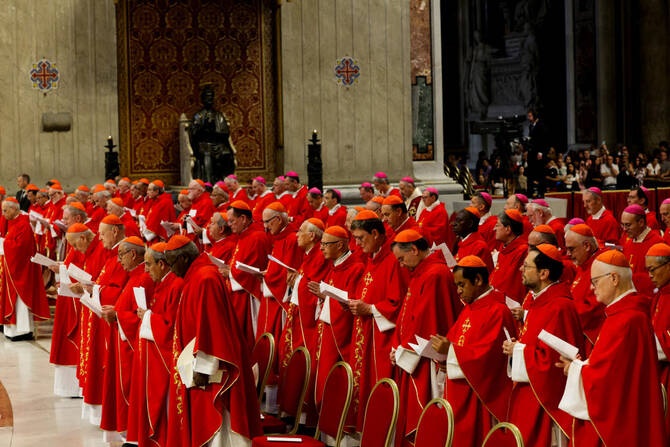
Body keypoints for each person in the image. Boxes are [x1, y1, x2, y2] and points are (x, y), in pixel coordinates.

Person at [557, 250, 665, 446]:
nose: (592, 288)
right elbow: (611, 367)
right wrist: (581, 366)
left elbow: (607, 379)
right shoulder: (623, 314)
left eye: (595, 281)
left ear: (614, 278)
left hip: (623, 419)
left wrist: (574, 369)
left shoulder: (627, 318)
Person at [166, 235, 261, 447]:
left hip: (212, 369)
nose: (171, 271)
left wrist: (203, 367)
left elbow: (214, 328)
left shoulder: (205, 279)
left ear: (182, 259)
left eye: (172, 264)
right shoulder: (197, 275)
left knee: (218, 425)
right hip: (198, 361)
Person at [502, 245, 583, 447]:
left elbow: (555, 362)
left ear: (544, 273)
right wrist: (517, 347)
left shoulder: (559, 306)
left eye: (526, 266)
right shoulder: (538, 301)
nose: (521, 269)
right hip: (529, 391)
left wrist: (518, 351)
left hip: (545, 401)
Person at [432, 255, 516, 447]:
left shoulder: (498, 310)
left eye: (462, 285)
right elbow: (456, 341)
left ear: (477, 280)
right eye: (457, 286)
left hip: (479, 396)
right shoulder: (470, 308)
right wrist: (443, 355)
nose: (459, 291)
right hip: (459, 391)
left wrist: (451, 351)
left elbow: (488, 358)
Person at [390, 229, 459, 447]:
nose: (401, 265)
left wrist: (403, 350)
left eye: (402, 259)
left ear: (414, 249)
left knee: (427, 413)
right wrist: (398, 346)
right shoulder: (421, 271)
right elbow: (408, 315)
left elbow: (426, 321)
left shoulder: (434, 274)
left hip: (426, 358)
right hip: (414, 352)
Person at [347, 210, 409, 432]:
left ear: (375, 233)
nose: (357, 244)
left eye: (360, 238)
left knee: (378, 383)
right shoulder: (374, 257)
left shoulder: (393, 259)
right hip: (366, 329)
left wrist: (370, 308)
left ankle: (380, 434)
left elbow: (398, 302)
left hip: (383, 337)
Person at [126, 242, 184, 447]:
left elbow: (171, 327)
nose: (146, 270)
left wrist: (148, 316)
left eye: (149, 265)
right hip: (151, 354)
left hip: (164, 358)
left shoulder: (175, 284)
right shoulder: (163, 283)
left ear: (162, 264)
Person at [100, 237, 154, 440]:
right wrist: (117, 311)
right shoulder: (134, 276)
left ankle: (134, 434)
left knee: (132, 390)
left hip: (132, 347)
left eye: (121, 255)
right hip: (122, 341)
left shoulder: (144, 279)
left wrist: (118, 315)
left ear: (133, 254)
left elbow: (144, 315)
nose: (118, 259)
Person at [307, 225, 365, 411]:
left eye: (325, 244)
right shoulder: (335, 267)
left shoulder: (355, 268)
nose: (321, 248)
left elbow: (353, 303)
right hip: (327, 332)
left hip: (339, 336)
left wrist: (327, 298)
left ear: (340, 245)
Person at [0, 197, 50, 341]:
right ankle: (12, 330)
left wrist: (4, 245)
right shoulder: (15, 223)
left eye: (5, 210)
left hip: (21, 270)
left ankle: (22, 331)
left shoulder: (23, 225)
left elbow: (21, 249)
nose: (3, 214)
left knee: (19, 301)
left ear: (14, 209)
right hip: (12, 268)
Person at [223, 200, 271, 345]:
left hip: (249, 297)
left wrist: (229, 273)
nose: (229, 225)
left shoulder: (256, 237)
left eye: (231, 221)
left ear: (243, 219)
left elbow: (251, 270)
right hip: (239, 293)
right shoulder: (244, 235)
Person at [646, 243, 670, 441]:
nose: (649, 276)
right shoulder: (660, 294)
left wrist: (643, 343)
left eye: (652, 270)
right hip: (658, 370)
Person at [188, 83, 236, 183]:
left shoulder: (218, 115)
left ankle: (226, 181)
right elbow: (193, 134)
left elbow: (225, 133)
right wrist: (204, 127)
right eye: (207, 97)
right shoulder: (199, 116)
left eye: (211, 97)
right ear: (203, 99)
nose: (209, 99)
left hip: (217, 143)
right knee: (207, 153)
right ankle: (208, 183)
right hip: (203, 144)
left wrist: (215, 129)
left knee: (226, 153)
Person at [620, 204, 663, 297]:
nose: (624, 229)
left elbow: (660, 276)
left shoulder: (657, 243)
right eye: (622, 225)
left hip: (648, 296)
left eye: (628, 225)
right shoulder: (629, 242)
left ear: (641, 222)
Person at [489, 209, 528, 304]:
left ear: (508, 229)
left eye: (497, 225)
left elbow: (516, 286)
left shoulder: (523, 251)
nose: (494, 229)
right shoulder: (504, 247)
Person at [451, 206, 493, 272]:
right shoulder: (462, 241)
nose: (454, 224)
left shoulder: (479, 246)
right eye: (455, 220)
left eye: (459, 221)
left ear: (470, 224)